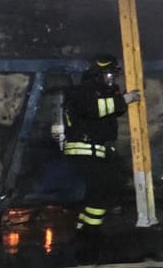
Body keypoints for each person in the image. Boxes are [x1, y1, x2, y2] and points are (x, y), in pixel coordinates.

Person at [60, 52, 141, 251]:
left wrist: (122, 98)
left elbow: (113, 108)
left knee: (101, 192)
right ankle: (90, 234)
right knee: (102, 193)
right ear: (97, 74)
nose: (111, 79)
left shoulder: (98, 91)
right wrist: (125, 99)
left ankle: (82, 231)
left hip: (94, 152)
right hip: (85, 151)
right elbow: (94, 109)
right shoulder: (82, 92)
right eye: (109, 75)